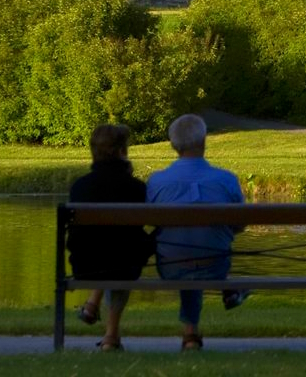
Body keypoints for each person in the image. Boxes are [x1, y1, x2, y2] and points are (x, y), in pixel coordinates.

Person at [147, 114, 247, 351]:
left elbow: (149, 222)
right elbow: (241, 224)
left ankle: (190, 334)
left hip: (171, 266)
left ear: (173, 145)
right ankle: (195, 329)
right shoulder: (226, 180)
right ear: (204, 142)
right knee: (203, 248)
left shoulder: (157, 181)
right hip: (216, 267)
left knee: (184, 250)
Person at [67, 123, 152, 352]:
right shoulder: (136, 188)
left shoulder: (80, 187)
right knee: (124, 252)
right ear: (122, 151)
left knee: (110, 251)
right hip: (124, 265)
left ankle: (93, 306)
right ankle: (111, 335)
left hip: (84, 265)